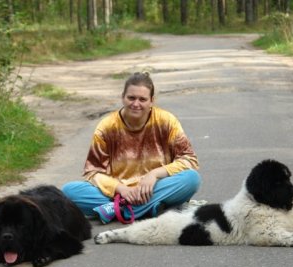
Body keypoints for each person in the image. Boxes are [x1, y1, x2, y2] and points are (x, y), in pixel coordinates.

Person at [62, 71, 201, 223]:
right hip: (117, 192)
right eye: (131, 98)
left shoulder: (166, 121)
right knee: (69, 191)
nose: (136, 104)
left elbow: (189, 160)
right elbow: (93, 172)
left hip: (155, 188)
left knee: (191, 179)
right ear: (123, 97)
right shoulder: (107, 126)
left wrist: (154, 174)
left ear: (151, 101)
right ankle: (149, 208)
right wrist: (121, 189)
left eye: (142, 99)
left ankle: (119, 209)